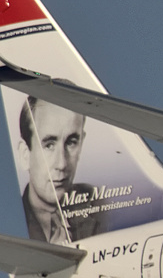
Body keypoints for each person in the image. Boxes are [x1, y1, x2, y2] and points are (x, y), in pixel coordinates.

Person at [16, 96, 104, 245]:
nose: (62, 164)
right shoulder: (14, 220)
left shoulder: (102, 205)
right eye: (49, 145)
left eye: (71, 143)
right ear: (25, 155)